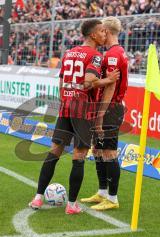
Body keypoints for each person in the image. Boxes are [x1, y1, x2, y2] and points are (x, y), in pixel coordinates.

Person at [29, 19, 119, 214]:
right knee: (79, 156)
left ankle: (37, 198)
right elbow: (88, 83)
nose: (105, 35)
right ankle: (71, 205)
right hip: (82, 109)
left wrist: (65, 100)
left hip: (66, 107)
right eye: (102, 32)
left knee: (54, 151)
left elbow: (61, 81)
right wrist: (108, 80)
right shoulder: (95, 56)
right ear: (93, 35)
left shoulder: (69, 53)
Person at [81, 16, 128, 210]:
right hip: (108, 107)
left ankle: (113, 198)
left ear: (106, 31)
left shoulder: (113, 54)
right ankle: (102, 192)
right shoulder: (114, 52)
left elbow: (110, 87)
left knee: (108, 152)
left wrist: (100, 114)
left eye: (102, 30)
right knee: (98, 150)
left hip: (110, 108)